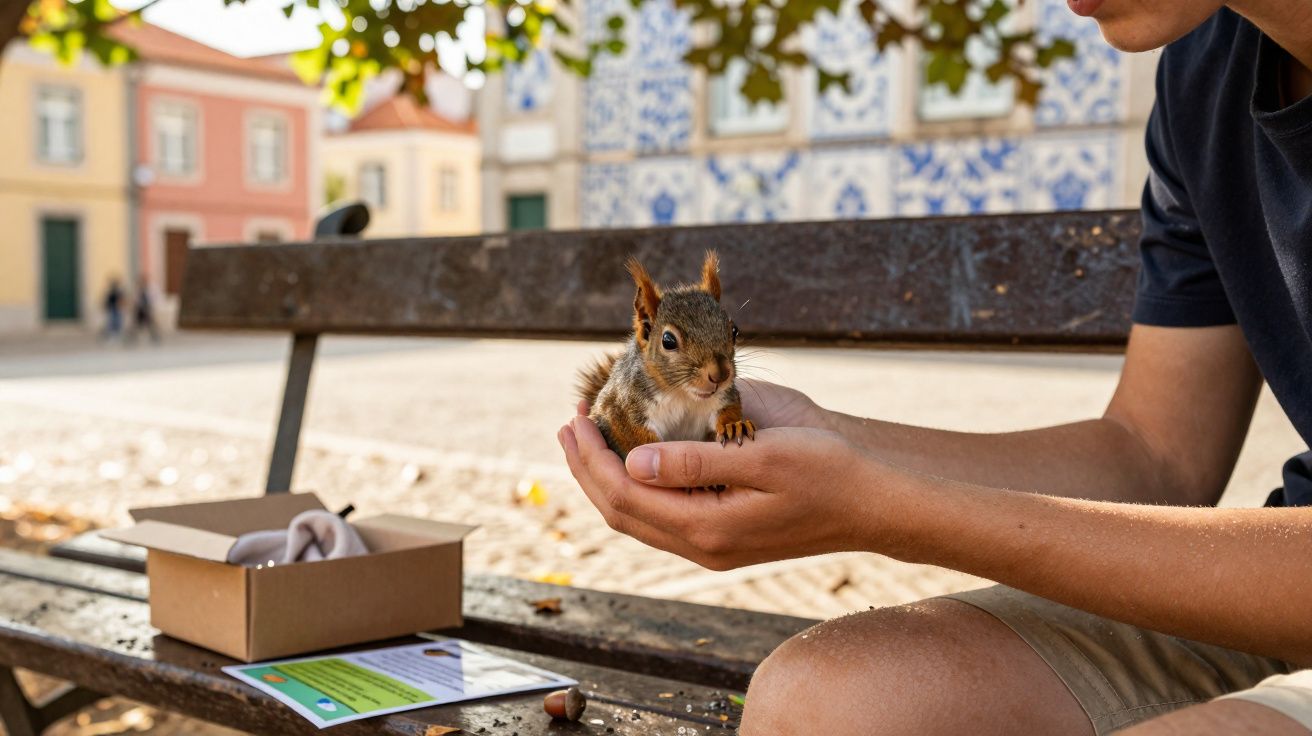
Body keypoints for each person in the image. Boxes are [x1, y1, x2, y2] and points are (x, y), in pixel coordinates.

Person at [560, 0, 1312, 733]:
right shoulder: (1200, 75)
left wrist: (886, 511)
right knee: (819, 699)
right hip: (1260, 586)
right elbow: (1157, 458)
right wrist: (836, 443)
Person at [128, 275, 160, 344]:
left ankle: (155, 337)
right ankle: (131, 338)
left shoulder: (150, 289)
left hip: (147, 309)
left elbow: (153, 299)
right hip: (139, 310)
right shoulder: (137, 290)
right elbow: (134, 300)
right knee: (134, 325)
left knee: (151, 324)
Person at [100, 276, 124, 341]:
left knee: (117, 323)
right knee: (111, 323)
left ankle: (117, 336)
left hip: (117, 309)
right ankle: (111, 336)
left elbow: (121, 300)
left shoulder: (119, 291)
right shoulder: (111, 292)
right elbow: (107, 300)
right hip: (112, 309)